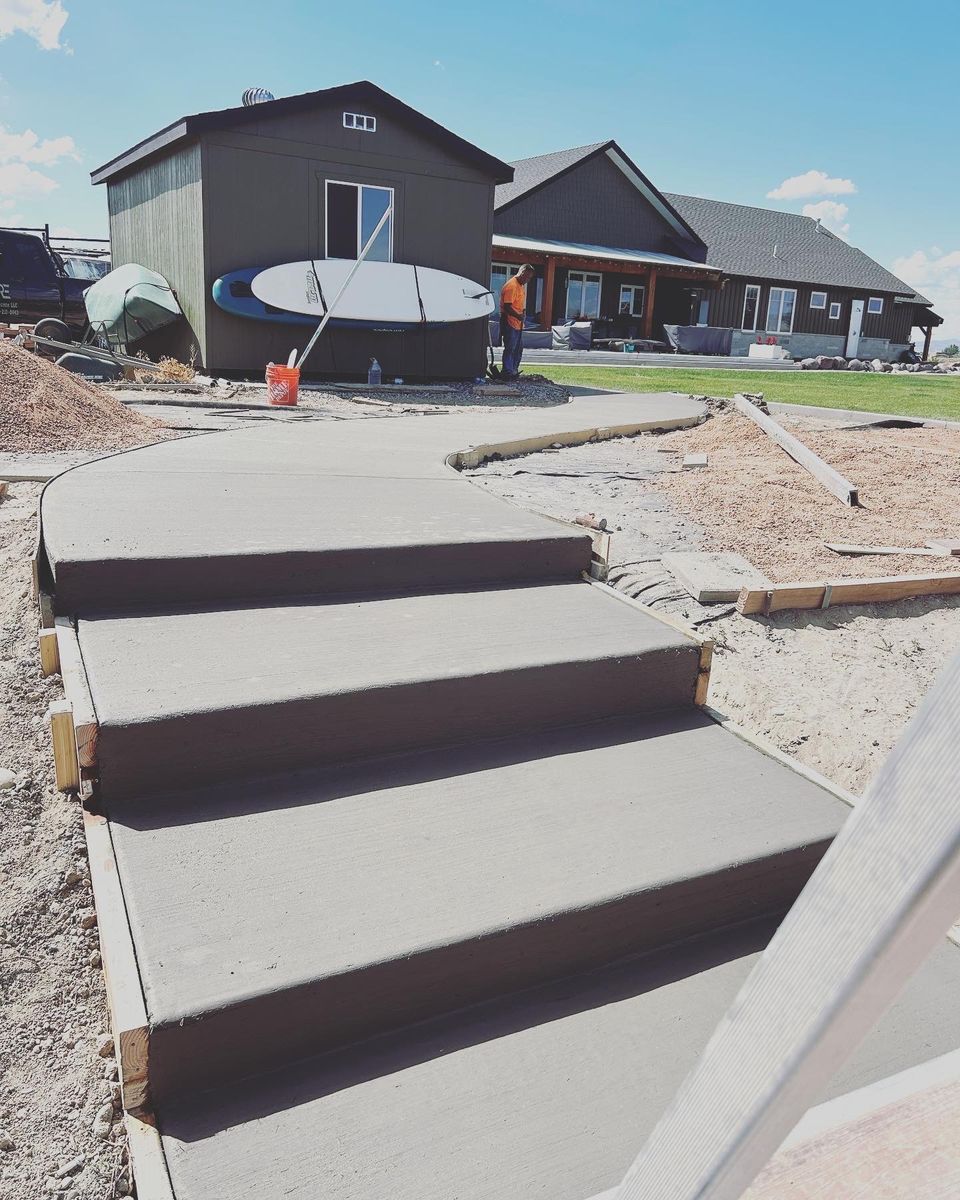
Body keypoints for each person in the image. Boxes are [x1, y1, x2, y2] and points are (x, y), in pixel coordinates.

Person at [499, 264, 535, 379]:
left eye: (530, 278)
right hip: (509, 321)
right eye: (527, 277)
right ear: (522, 273)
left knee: (518, 348)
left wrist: (522, 311)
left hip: (517, 323)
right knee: (510, 347)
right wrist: (518, 315)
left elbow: (518, 303)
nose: (528, 280)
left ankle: (513, 370)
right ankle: (507, 371)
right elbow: (507, 306)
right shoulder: (512, 286)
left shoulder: (520, 286)